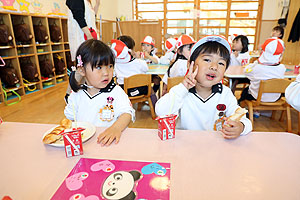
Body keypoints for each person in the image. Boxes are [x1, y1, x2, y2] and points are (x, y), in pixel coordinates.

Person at [155, 35, 252, 139]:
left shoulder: (225, 94)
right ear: (189, 65)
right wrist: (183, 88)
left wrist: (241, 127)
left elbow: (244, 119)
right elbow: (161, 112)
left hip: (214, 148)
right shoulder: (181, 92)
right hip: (185, 147)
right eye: (207, 60)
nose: (214, 67)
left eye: (221, 63)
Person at [64, 39, 135, 146]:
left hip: (109, 144)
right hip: (85, 146)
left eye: (110, 66)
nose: (106, 73)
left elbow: (127, 114)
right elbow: (69, 120)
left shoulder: (116, 92)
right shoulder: (76, 95)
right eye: (99, 67)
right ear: (82, 70)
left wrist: (116, 128)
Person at [65, 0, 100, 102]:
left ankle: (83, 94)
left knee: (87, 67)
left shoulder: (87, 2)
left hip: (89, 38)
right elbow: (79, 17)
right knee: (80, 68)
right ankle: (68, 95)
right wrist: (89, 36)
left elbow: (92, 17)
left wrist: (97, 4)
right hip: (82, 38)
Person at [238, 37, 286, 104]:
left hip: (256, 97)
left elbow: (246, 72)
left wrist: (256, 62)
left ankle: (240, 104)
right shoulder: (282, 68)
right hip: (275, 98)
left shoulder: (257, 67)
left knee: (246, 91)